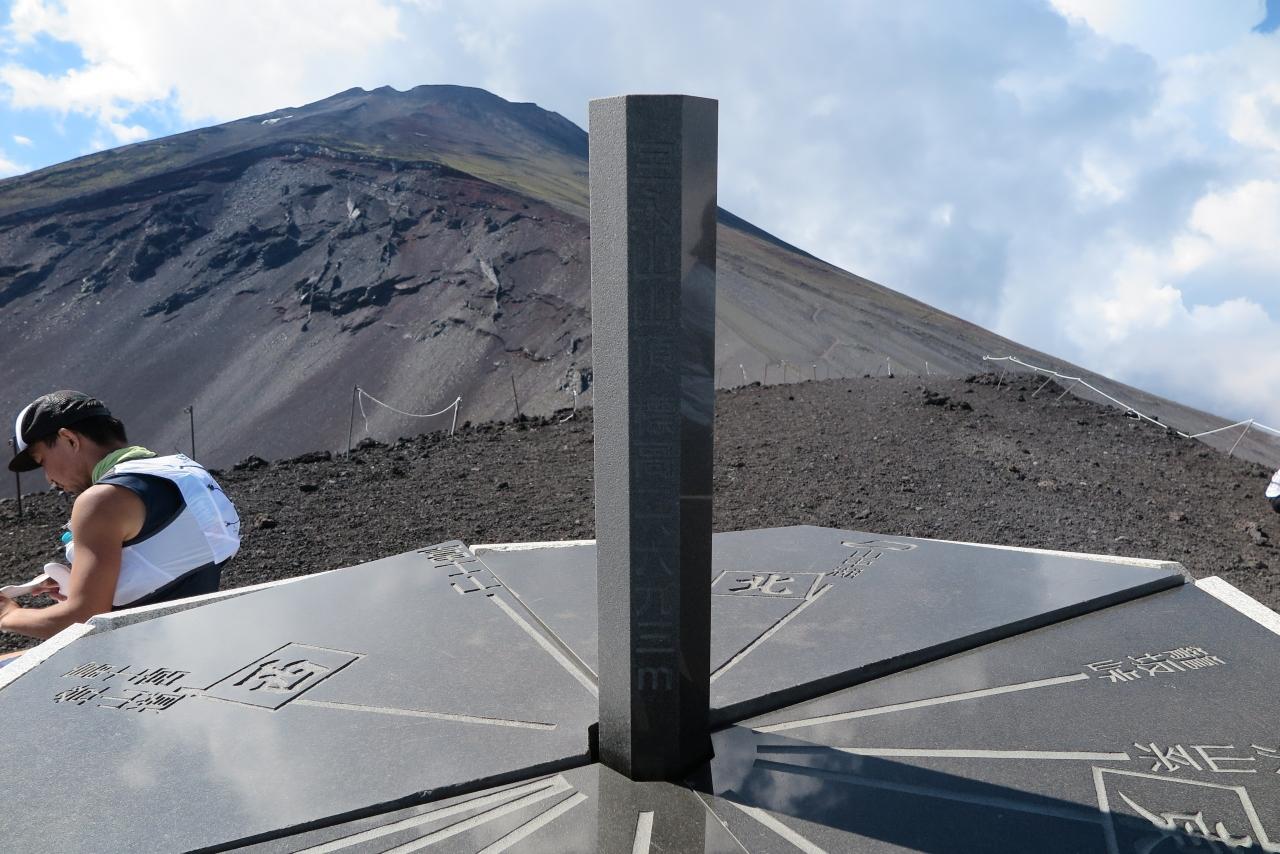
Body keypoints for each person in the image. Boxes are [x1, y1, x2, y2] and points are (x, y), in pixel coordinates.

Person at [0, 391, 240, 640]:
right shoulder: (187, 473)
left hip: (149, 653)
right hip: (206, 641)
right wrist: (89, 581)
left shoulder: (100, 501)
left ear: (69, 439)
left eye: (42, 461)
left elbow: (81, 617)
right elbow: (172, 560)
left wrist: (8, 614)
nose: (48, 478)